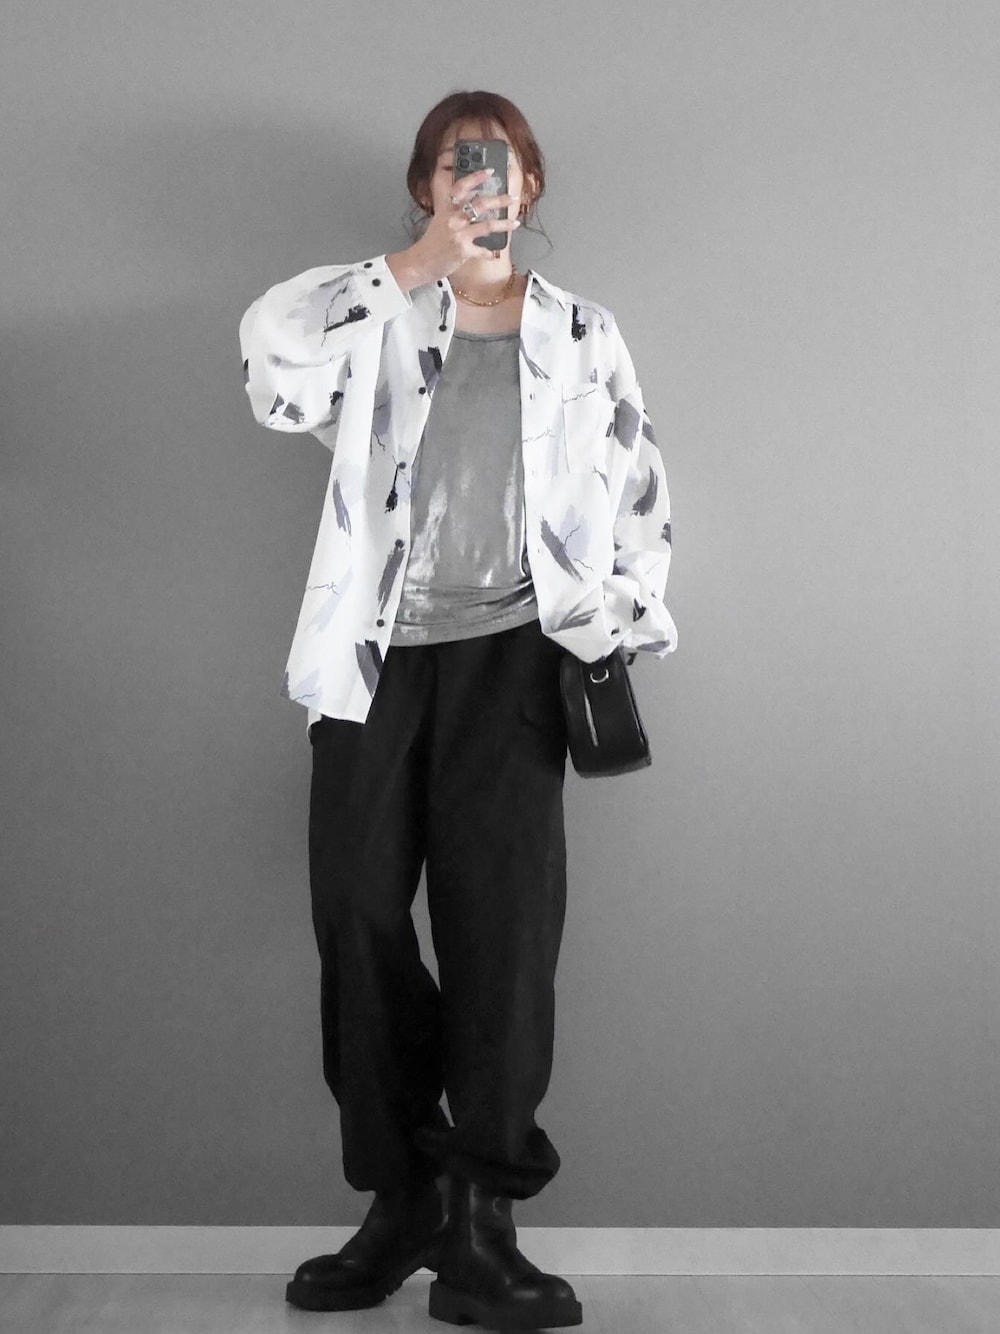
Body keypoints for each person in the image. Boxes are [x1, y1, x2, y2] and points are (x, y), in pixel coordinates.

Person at [238, 89, 676, 1331]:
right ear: (425, 185)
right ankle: (406, 1192)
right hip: (371, 661)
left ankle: (483, 1221)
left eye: (499, 165)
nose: (480, 182)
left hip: (518, 662)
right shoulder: (372, 311)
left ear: (529, 186)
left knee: (503, 938)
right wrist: (415, 264)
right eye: (453, 163)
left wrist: (617, 620)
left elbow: (637, 482)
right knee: (357, 917)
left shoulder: (581, 332)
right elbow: (271, 374)